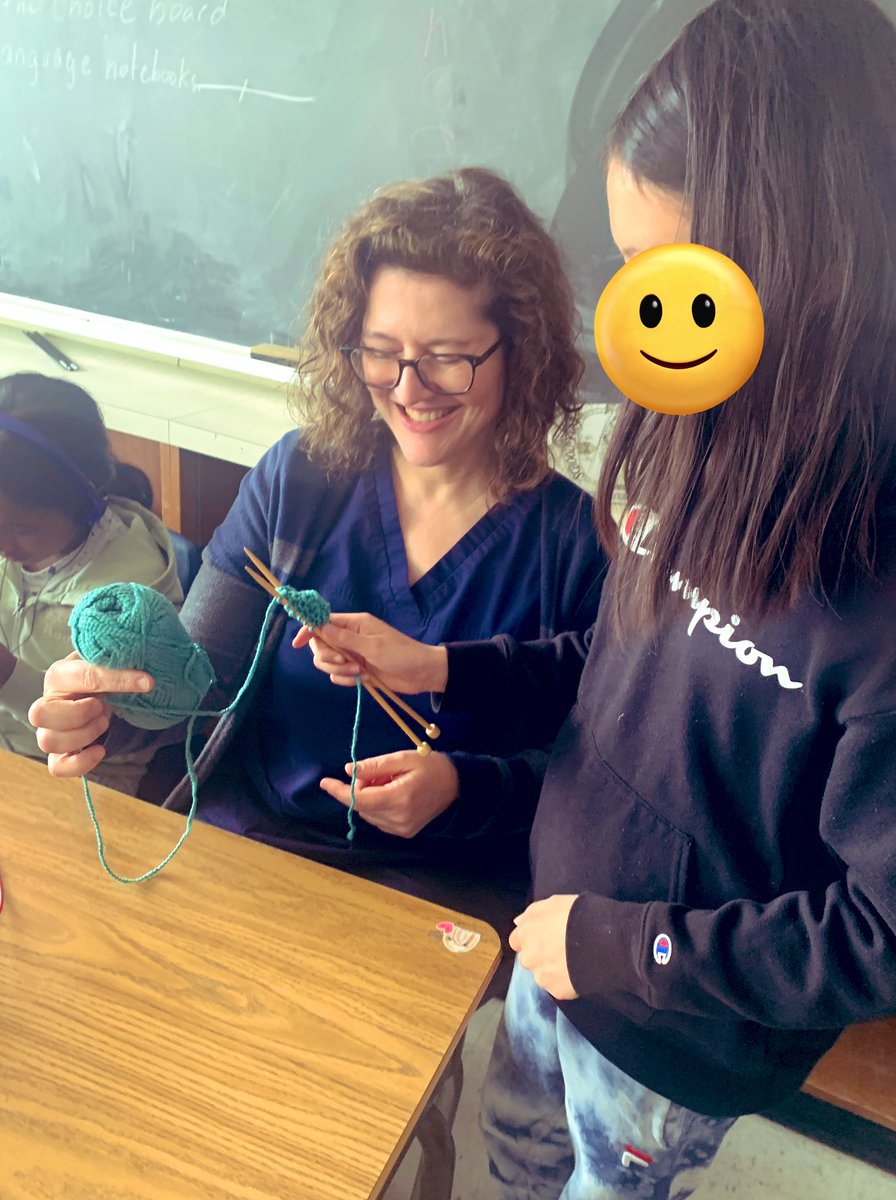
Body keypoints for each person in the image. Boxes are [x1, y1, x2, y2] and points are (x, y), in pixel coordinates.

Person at [278, 1, 896, 1195]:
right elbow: (622, 659)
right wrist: (443, 669)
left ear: (815, 272)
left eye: (667, 277)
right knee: (513, 1155)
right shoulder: (680, 436)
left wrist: (618, 944)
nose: (636, 327)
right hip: (555, 937)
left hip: (674, 1031)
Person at [29, 167, 608, 929]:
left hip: (439, 895)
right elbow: (197, 685)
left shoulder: (572, 542)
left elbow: (589, 785)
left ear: (519, 351)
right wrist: (105, 705)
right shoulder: (298, 480)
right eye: (380, 352)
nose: (408, 389)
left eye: (448, 357)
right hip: (254, 850)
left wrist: (462, 790)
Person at [0, 372, 183, 794]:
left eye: (22, 528)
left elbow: (109, 728)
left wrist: (8, 675)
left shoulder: (127, 600)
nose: (3, 543)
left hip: (90, 778)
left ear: (84, 502)